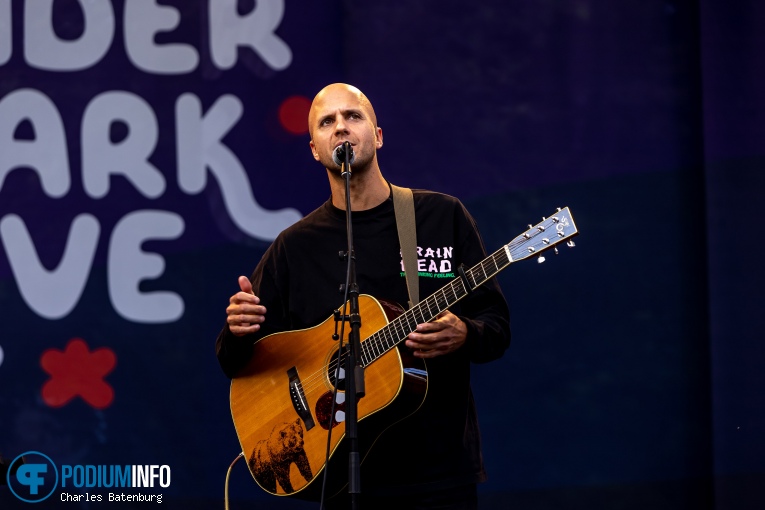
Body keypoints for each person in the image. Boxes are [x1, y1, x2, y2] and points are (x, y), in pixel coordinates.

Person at [216, 83, 510, 509]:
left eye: (353, 116)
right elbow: (235, 362)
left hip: (438, 474)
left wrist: (465, 332)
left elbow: (496, 327)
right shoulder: (294, 248)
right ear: (315, 149)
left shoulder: (440, 217)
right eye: (327, 122)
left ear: (378, 135)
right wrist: (238, 330)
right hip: (339, 476)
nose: (341, 128)